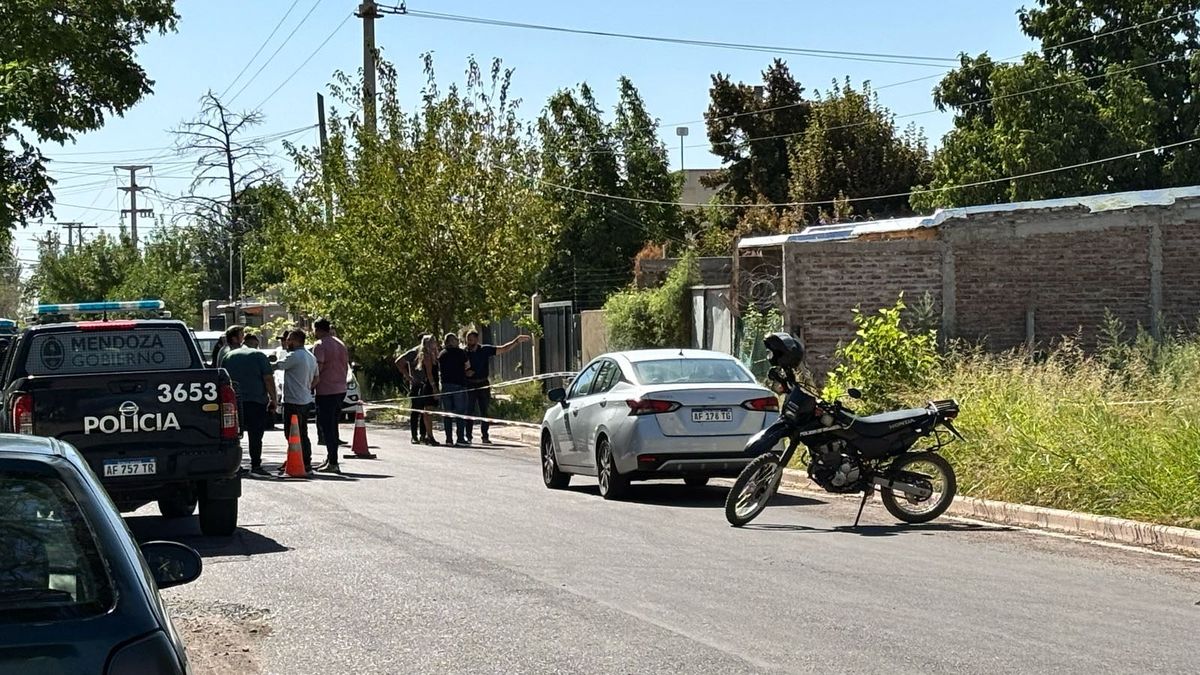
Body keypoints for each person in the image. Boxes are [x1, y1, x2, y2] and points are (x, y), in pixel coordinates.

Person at [218, 328, 277, 476]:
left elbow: (222, 379)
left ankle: (235, 465)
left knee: (234, 435)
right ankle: (256, 464)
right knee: (256, 435)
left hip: (235, 402)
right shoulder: (259, 356)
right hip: (256, 401)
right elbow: (268, 379)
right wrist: (273, 399)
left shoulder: (228, 356)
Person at [464, 331, 532, 444]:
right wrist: (465, 372)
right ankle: (468, 436)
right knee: (469, 411)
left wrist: (516, 341)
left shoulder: (485, 350)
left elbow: (503, 349)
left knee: (484, 411)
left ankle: (485, 436)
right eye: (468, 340)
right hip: (470, 384)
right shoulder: (464, 352)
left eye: (471, 339)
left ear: (476, 339)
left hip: (483, 384)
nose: (469, 342)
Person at [275, 329, 319, 476]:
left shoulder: (294, 356)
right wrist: (306, 388)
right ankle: (305, 462)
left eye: (289, 339)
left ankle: (299, 461)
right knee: (303, 433)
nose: (287, 342)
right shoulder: (311, 356)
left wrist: (262, 363)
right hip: (305, 400)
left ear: (297, 340)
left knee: (291, 434)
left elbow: (277, 366)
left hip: (293, 401)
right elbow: (317, 378)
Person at [312, 318, 349, 474]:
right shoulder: (340, 344)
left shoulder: (320, 345)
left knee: (327, 428)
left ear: (318, 329)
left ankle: (333, 462)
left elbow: (317, 369)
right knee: (333, 425)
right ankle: (330, 458)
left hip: (326, 390)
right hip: (340, 389)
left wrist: (310, 386)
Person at [395, 335, 431, 444]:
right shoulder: (414, 352)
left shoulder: (431, 352)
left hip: (427, 384)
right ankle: (414, 435)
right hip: (416, 385)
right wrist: (408, 376)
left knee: (425, 410)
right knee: (416, 411)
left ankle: (423, 435)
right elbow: (398, 362)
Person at [438, 332, 471, 446]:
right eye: (456, 339)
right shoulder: (461, 353)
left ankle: (448, 439)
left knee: (447, 414)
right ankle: (460, 438)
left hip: (446, 386)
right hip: (459, 385)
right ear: (451, 341)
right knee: (460, 413)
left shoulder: (441, 354)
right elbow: (467, 366)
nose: (458, 341)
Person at [412, 334, 442, 446]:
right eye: (433, 341)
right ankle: (429, 436)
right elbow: (429, 374)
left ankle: (428, 435)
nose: (435, 343)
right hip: (429, 386)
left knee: (430, 411)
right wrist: (434, 387)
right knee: (428, 411)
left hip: (432, 384)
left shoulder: (434, 355)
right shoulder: (426, 356)